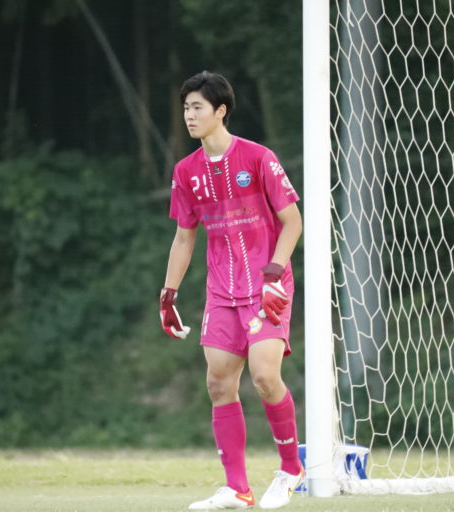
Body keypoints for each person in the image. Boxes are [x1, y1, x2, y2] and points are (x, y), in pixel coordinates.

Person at [160, 71, 304, 510]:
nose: (189, 115)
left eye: (197, 107)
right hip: (221, 291)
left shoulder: (258, 158)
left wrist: (274, 274)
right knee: (218, 382)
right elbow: (184, 237)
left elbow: (292, 222)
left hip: (265, 285)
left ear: (220, 111)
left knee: (264, 376)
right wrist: (168, 294)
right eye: (186, 108)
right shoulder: (186, 171)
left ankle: (291, 468)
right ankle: (238, 489)